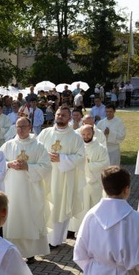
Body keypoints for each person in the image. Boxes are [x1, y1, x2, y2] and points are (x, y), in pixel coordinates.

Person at [0, 118, 51, 263]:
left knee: (30, 219)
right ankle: (12, 252)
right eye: (18, 126)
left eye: (23, 126)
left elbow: (47, 167)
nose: (20, 129)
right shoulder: (8, 145)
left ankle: (30, 253)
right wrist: (9, 164)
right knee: (13, 218)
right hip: (12, 191)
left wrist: (28, 167)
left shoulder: (39, 146)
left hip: (31, 192)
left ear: (30, 128)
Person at [38, 105, 85, 247]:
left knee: (60, 205)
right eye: (58, 114)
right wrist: (46, 156)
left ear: (69, 117)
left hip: (64, 178)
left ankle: (55, 240)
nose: (60, 117)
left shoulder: (75, 137)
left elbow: (81, 157)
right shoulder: (45, 133)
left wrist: (62, 159)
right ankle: (43, 238)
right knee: (45, 204)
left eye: (63, 115)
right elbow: (36, 149)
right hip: (46, 176)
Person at [68, 125, 110, 233]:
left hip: (93, 183)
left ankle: (93, 230)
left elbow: (104, 164)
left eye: (88, 134)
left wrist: (87, 165)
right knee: (79, 207)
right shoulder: (77, 147)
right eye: (83, 134)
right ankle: (76, 229)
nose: (86, 137)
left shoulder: (100, 148)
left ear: (93, 133)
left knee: (92, 207)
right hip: (79, 182)